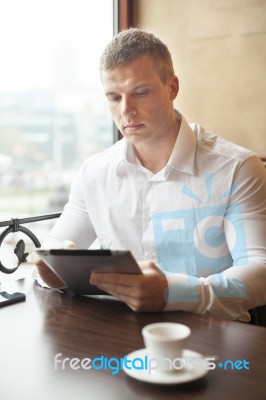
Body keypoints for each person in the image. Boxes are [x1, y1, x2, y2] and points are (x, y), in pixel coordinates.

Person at [35, 28, 266, 322]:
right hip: (119, 335)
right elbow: (54, 252)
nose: (126, 110)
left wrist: (175, 293)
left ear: (172, 88)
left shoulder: (237, 167)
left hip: (215, 338)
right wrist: (52, 273)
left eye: (140, 93)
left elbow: (260, 269)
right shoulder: (93, 174)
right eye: (113, 97)